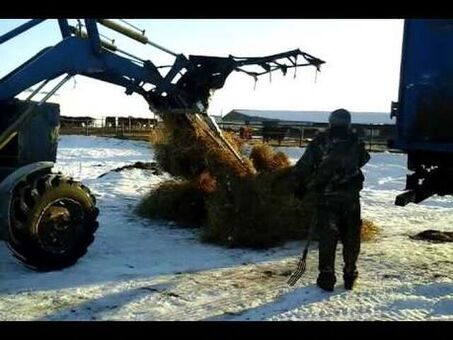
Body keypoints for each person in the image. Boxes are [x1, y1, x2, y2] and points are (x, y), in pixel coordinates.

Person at [293, 109, 370, 291]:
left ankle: (327, 275)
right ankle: (350, 273)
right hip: (350, 198)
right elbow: (362, 160)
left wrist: (301, 185)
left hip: (327, 198)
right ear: (348, 123)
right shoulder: (355, 142)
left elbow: (304, 165)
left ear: (331, 122)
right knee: (351, 236)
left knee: (328, 236)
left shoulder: (320, 141)